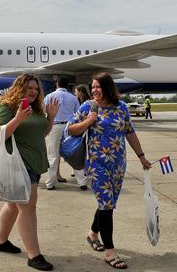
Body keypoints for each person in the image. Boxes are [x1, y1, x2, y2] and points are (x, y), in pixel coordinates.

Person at [67, 72, 151, 270]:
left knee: (108, 205)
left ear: (108, 88)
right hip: (97, 163)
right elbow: (70, 129)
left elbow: (129, 132)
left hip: (118, 164)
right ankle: (110, 252)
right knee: (106, 204)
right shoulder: (88, 106)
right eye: (93, 86)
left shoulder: (121, 107)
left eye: (98, 86)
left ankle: (92, 234)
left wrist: (141, 156)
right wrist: (88, 121)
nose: (95, 90)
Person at [0, 74, 59, 271]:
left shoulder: (35, 108)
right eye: (29, 88)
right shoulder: (6, 107)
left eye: (36, 89)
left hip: (35, 163)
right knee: (27, 207)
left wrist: (51, 118)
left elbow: (42, 132)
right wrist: (17, 119)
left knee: (13, 204)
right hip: (19, 165)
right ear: (19, 88)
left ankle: (0, 241)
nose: (33, 91)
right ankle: (34, 255)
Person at [43, 76, 84, 190]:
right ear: (67, 85)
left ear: (57, 84)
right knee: (74, 154)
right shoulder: (73, 98)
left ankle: (50, 182)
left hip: (54, 126)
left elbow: (44, 112)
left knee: (53, 155)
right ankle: (82, 182)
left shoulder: (49, 96)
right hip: (69, 127)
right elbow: (78, 114)